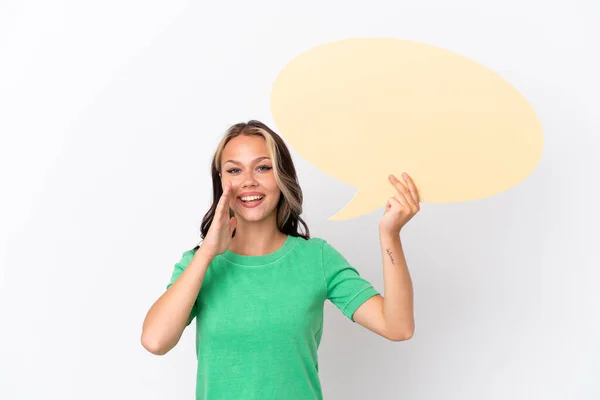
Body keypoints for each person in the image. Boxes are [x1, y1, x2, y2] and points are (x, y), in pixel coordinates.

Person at [141, 120, 419, 399]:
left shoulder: (317, 259)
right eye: (234, 170)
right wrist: (207, 253)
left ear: (282, 176)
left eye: (263, 167)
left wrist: (390, 234)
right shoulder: (199, 264)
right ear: (221, 181)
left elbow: (397, 326)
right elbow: (155, 341)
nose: (248, 180)